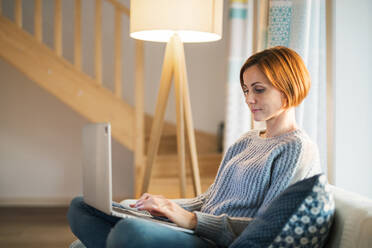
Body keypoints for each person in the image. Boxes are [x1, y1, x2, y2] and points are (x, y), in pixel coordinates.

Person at [68, 46, 321, 248]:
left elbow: (267, 226)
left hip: (215, 241)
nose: (248, 99)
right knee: (81, 207)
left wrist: (191, 221)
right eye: (245, 90)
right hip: (196, 229)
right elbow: (208, 200)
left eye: (258, 90)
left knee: (127, 232)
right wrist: (164, 206)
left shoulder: (296, 148)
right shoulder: (246, 140)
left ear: (288, 91)